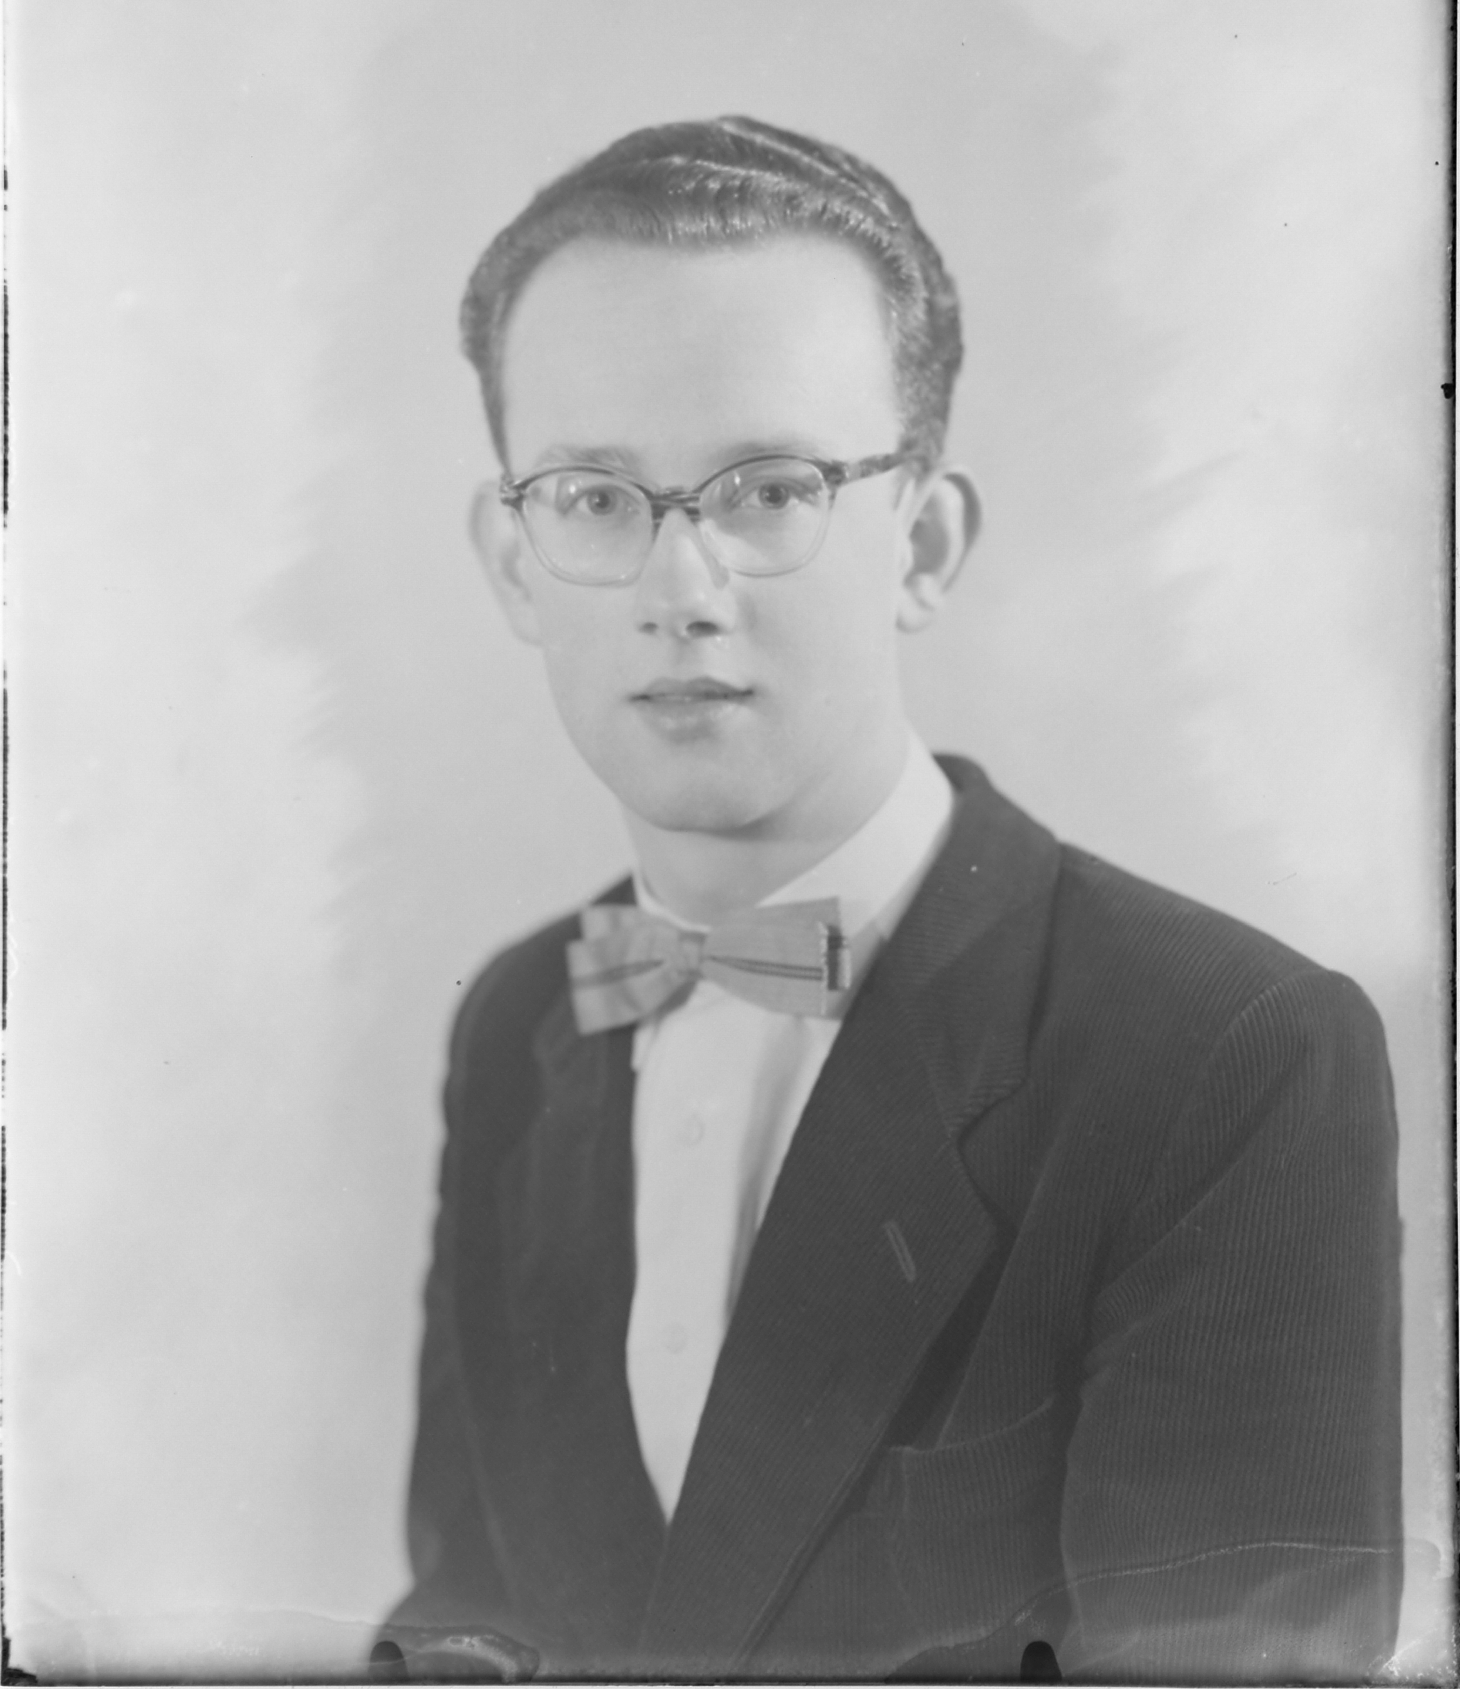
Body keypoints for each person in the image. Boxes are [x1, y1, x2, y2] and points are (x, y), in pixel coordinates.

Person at [379, 118, 1402, 1683]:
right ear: (515, 564)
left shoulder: (1229, 1056)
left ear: (920, 545)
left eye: (767, 490)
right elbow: (465, 1617)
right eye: (592, 498)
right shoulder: (527, 1014)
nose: (679, 590)